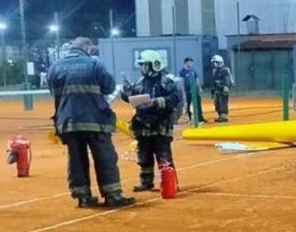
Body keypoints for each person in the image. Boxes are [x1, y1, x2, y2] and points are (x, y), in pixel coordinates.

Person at [46, 37, 135, 208]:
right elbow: (109, 87)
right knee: (105, 157)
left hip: (68, 122)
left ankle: (83, 197)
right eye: (92, 48)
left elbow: (53, 92)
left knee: (76, 160)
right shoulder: (95, 65)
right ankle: (112, 195)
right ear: (86, 47)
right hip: (95, 120)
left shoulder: (55, 67)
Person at [120, 50, 181, 192]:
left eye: (145, 65)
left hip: (161, 124)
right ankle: (146, 182)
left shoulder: (166, 81)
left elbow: (175, 99)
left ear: (154, 65)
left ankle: (170, 183)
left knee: (163, 155)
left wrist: (156, 102)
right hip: (142, 125)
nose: (142, 68)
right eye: (142, 65)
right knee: (144, 154)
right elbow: (131, 99)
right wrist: (127, 91)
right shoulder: (140, 82)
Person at [178, 57, 206, 123]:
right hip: (186, 91)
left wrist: (199, 88)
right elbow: (180, 81)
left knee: (198, 104)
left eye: (191, 62)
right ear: (185, 63)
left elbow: (197, 80)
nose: (190, 64)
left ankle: (200, 117)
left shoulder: (193, 71)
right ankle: (189, 118)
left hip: (194, 91)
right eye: (189, 62)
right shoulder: (182, 72)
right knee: (187, 105)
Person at [210, 54, 233, 122]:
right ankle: (220, 115)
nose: (214, 64)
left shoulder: (225, 70)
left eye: (216, 62)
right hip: (217, 89)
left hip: (223, 89)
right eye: (214, 62)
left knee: (222, 102)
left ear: (220, 62)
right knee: (216, 103)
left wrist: (225, 86)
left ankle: (224, 116)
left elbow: (227, 79)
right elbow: (213, 81)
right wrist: (212, 91)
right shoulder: (215, 71)